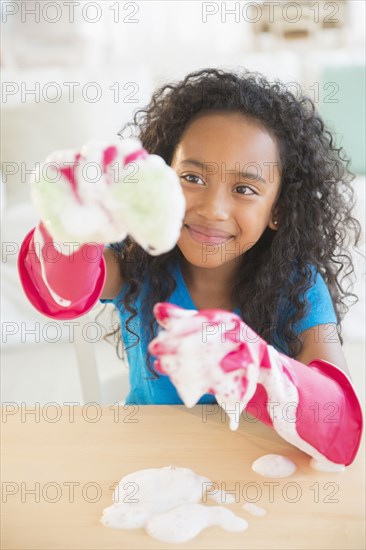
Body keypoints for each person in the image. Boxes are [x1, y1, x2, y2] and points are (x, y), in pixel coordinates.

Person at [18, 68, 363, 465]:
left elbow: (339, 421)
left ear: (279, 211)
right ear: (161, 178)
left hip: (260, 477)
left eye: (245, 189)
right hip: (148, 467)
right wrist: (68, 229)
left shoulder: (298, 284)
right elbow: (63, 293)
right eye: (192, 177)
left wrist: (258, 366)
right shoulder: (136, 259)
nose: (212, 210)